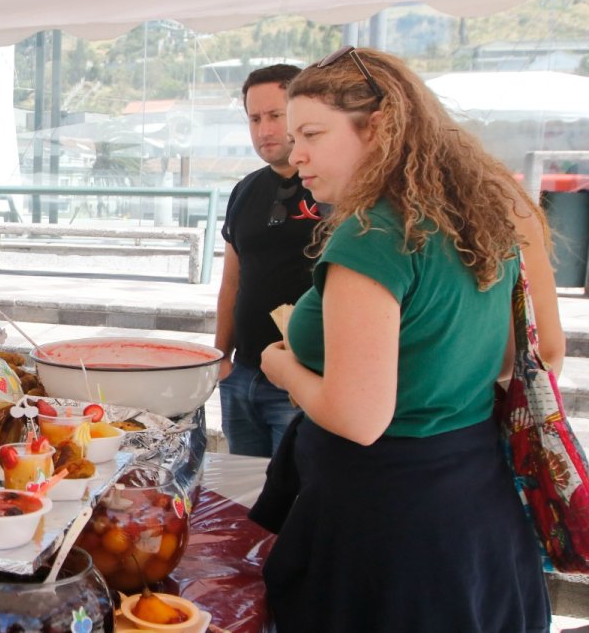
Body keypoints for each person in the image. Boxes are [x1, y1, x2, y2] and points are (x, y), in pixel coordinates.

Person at [258, 47, 553, 632]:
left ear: (382, 127)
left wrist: (283, 367)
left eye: (312, 133)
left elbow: (359, 417)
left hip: (387, 523)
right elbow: (519, 357)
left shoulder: (371, 239)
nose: (297, 155)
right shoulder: (482, 217)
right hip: (475, 499)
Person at [215, 64, 320, 457]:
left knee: (291, 500)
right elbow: (232, 282)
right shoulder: (245, 190)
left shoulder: (332, 189)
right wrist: (221, 359)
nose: (265, 130)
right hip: (243, 376)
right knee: (244, 500)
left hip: (304, 380)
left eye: (276, 116)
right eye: (255, 118)